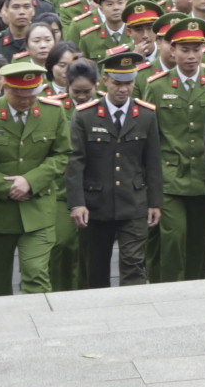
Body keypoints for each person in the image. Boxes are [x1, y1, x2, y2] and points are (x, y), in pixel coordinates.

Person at [0, 58, 68, 296]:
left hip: (38, 210)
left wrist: (31, 181)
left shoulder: (53, 111)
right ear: (5, 88)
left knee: (36, 275)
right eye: (20, 95)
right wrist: (4, 187)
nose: (27, 101)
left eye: (32, 94)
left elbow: (62, 155)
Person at [66, 46, 162, 288]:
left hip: (134, 203)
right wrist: (77, 203)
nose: (123, 89)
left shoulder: (146, 115)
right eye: (118, 82)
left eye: (129, 82)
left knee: (133, 265)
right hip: (96, 206)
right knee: (95, 270)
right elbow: (75, 162)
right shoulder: (85, 116)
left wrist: (155, 202)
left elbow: (152, 162)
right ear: (105, 81)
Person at [145, 19, 205, 281]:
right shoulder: (156, 86)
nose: (191, 56)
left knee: (199, 242)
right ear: (172, 51)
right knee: (173, 237)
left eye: (196, 49)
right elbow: (150, 137)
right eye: (184, 50)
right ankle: (168, 289)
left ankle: (195, 289)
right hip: (170, 177)